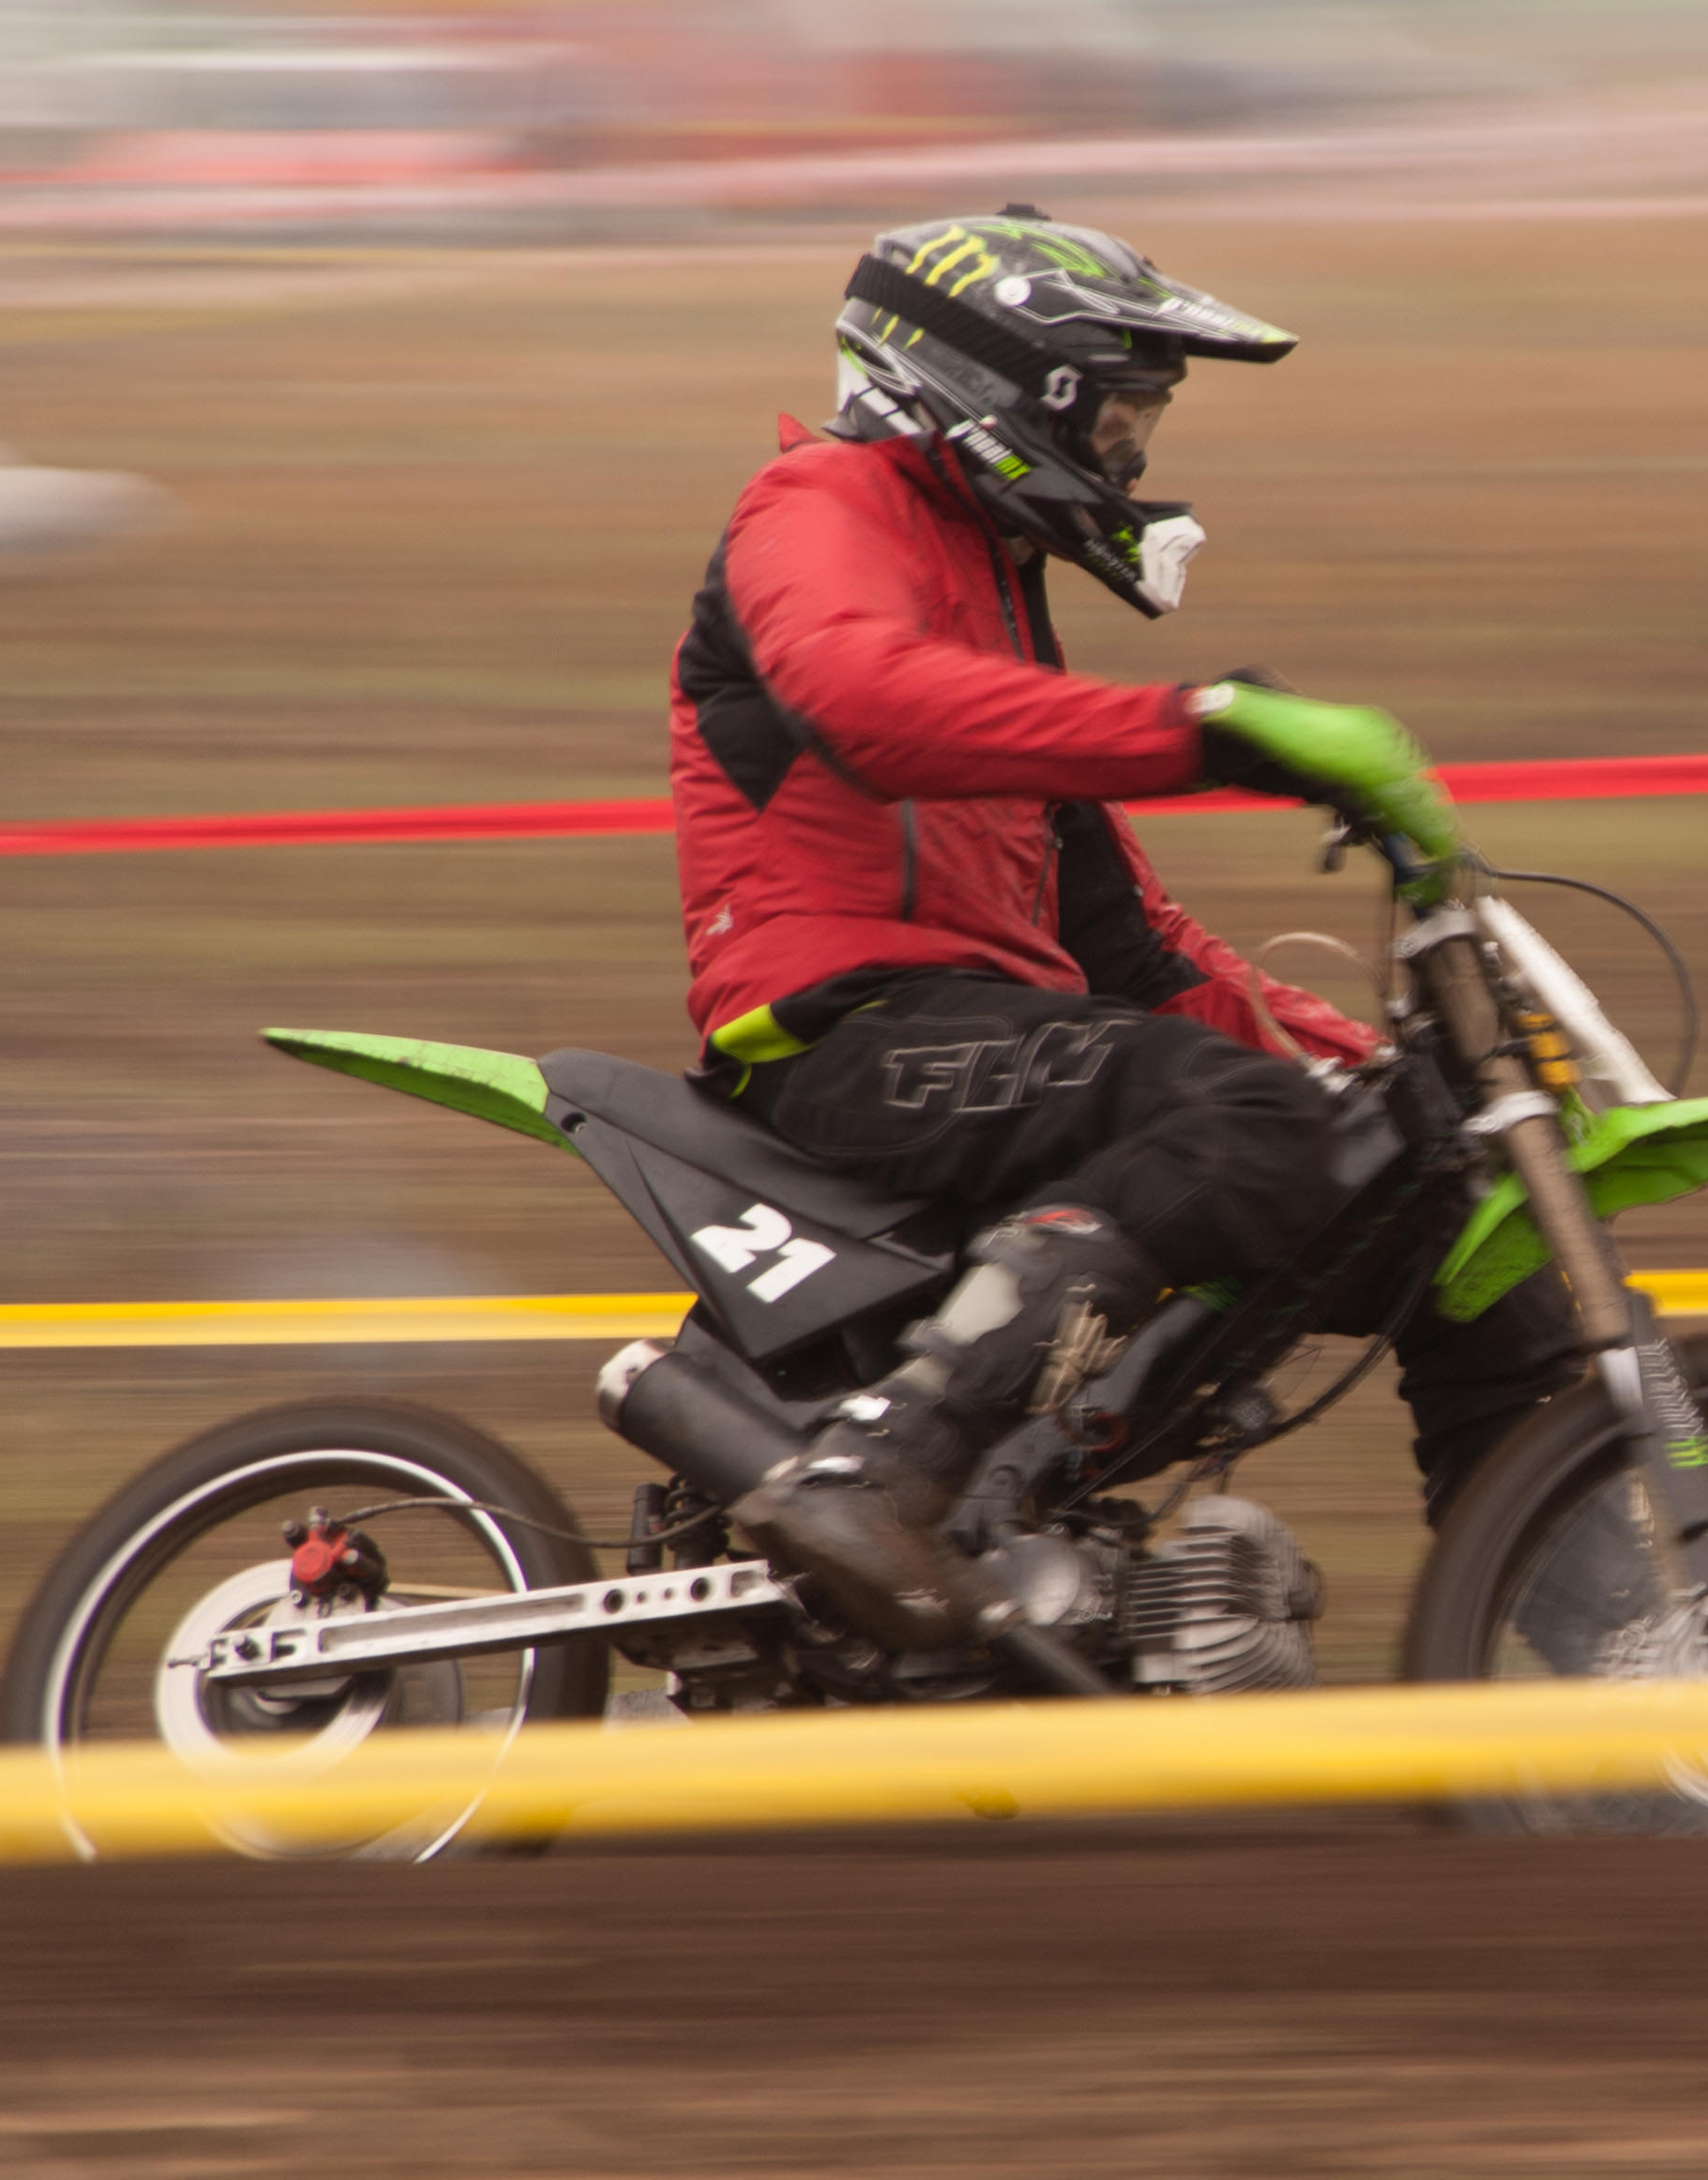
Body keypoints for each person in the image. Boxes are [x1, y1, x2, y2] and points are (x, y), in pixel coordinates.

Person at [666, 208, 1578, 1652]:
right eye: (1114, 414)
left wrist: (1368, 1074)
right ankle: (877, 1472)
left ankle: (1614, 1647)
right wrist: (1209, 727)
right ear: (1002, 391)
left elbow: (1130, 944)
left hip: (1002, 1037)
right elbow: (861, 697)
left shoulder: (991, 590)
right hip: (847, 1034)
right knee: (1238, 1120)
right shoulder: (818, 504)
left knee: (1439, 1217)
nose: (1130, 456)